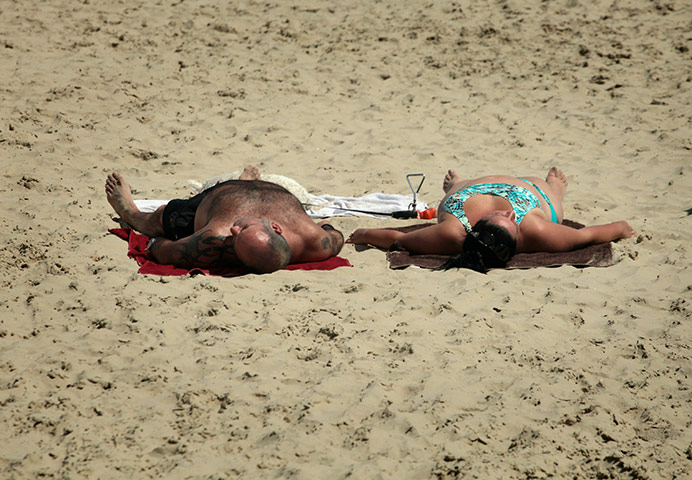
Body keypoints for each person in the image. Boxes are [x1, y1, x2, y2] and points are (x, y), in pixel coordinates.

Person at [347, 167, 635, 273]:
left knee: (459, 189)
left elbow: (398, 239)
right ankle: (555, 190)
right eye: (511, 220)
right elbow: (588, 235)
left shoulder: (453, 232)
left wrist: (364, 234)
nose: (510, 213)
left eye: (502, 217)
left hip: (468, 191)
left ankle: (456, 186)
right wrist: (621, 228)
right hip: (529, 189)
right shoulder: (533, 229)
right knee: (550, 199)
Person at [106, 165, 344, 273]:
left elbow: (166, 251)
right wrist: (326, 225)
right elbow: (336, 237)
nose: (234, 231)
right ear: (275, 227)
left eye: (236, 238)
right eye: (245, 228)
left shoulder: (217, 237)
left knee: (163, 217)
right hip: (253, 191)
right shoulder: (316, 241)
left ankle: (129, 211)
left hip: (213, 205)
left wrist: (153, 243)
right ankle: (246, 180)